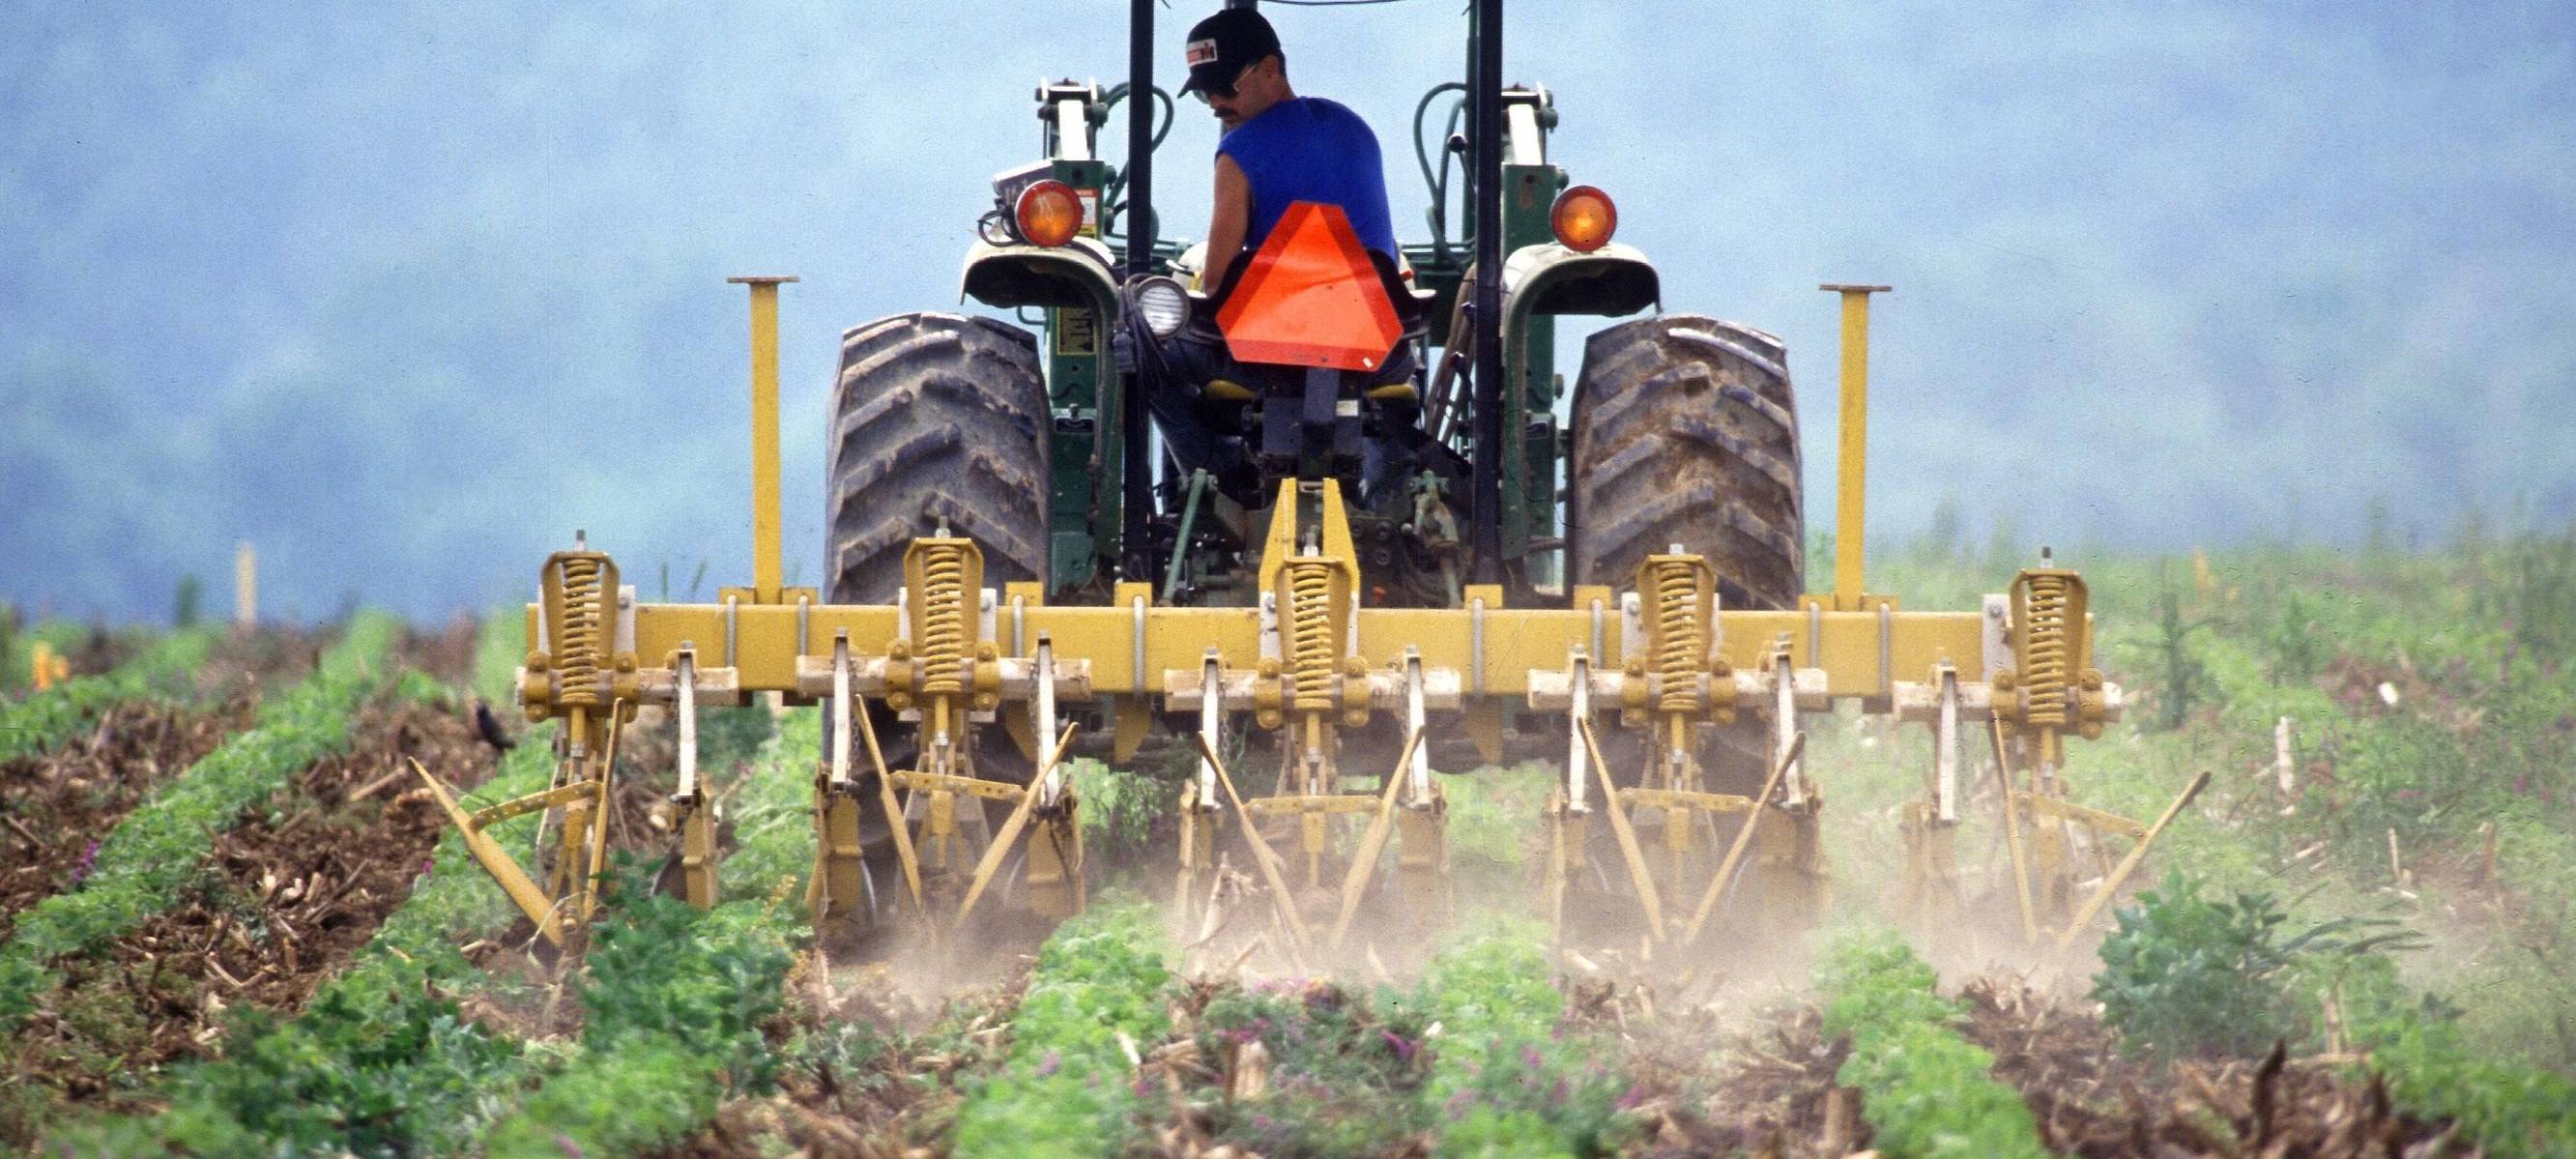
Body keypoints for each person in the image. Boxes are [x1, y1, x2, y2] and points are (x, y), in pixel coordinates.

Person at [1178, 8, 1399, 297]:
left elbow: (1217, 286)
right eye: (1204, 93)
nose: (1215, 103)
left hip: (1286, 331)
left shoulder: (1238, 152)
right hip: (1383, 324)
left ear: (1270, 68)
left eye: (1225, 87)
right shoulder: (1354, 126)